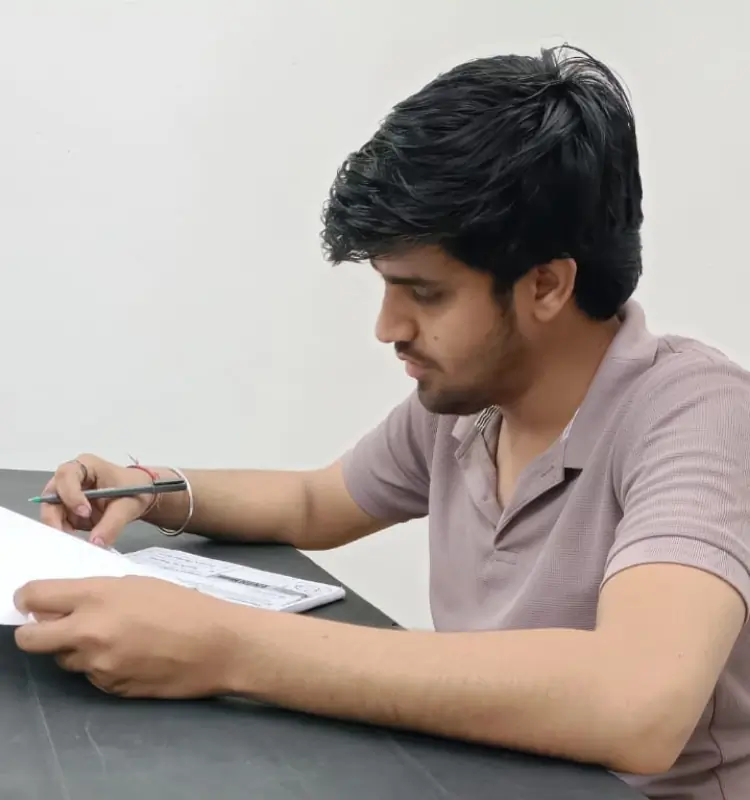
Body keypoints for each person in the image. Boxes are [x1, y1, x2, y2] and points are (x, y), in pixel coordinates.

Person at [12, 44, 750, 800]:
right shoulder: (471, 404)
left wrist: (223, 646)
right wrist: (148, 487)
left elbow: (638, 702)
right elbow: (316, 502)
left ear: (546, 285)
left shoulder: (698, 413)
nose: (387, 327)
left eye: (424, 294)